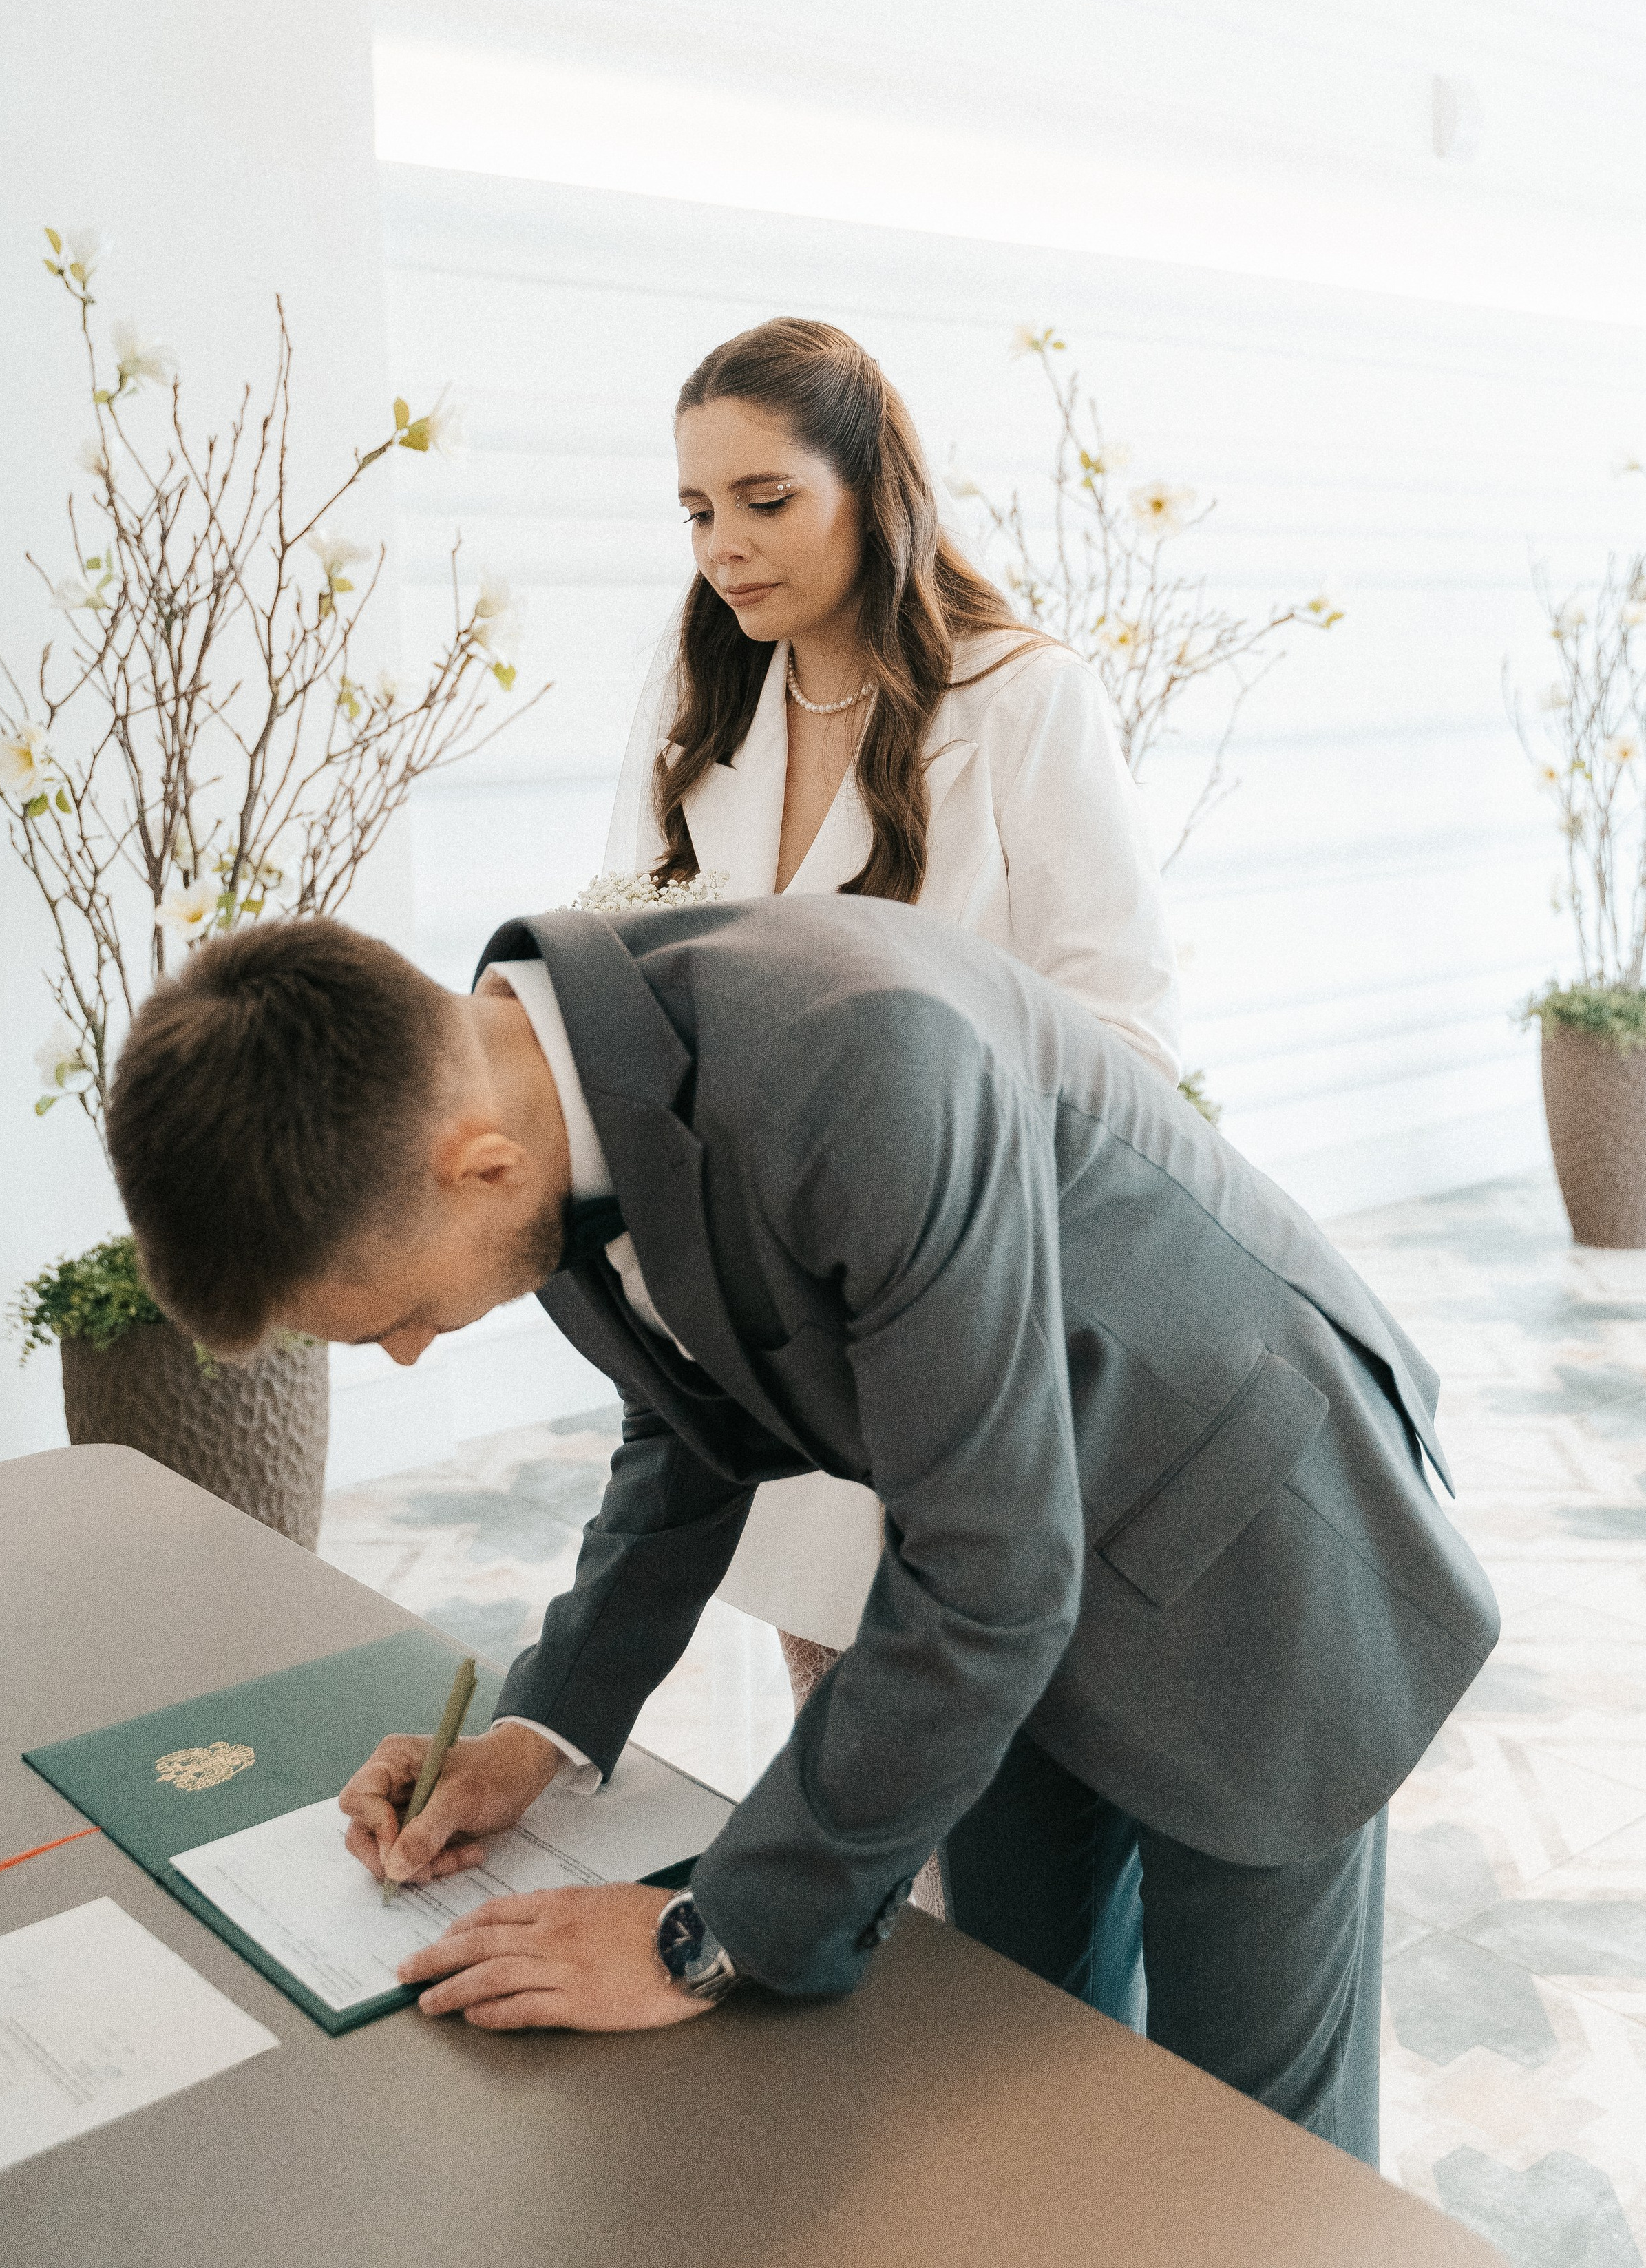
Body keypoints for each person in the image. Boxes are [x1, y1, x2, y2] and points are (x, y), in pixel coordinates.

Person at [106, 904, 1499, 2159]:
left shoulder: (858, 1058)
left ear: (477, 1169)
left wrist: (698, 1936)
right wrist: (537, 1733)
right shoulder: (536, 1095)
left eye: (395, 1319)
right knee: (1026, 2062)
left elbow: (992, 1581)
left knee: (1259, 2170)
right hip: (1009, 1559)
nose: (412, 1351)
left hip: (1255, 1559)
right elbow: (689, 1424)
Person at [610, 317, 1182, 1758]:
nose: (725, 549)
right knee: (843, 1745)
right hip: (779, 1329)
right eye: (697, 511)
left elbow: (1123, 1033)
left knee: (992, 1773)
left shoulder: (1021, 697)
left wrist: (935, 1171)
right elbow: (627, 976)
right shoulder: (699, 700)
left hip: (976, 1317)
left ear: (872, 487)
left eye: (764, 500)